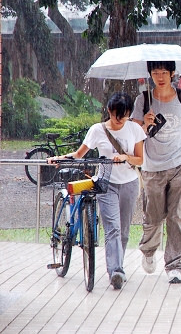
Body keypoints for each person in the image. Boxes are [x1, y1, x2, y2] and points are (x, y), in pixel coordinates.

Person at [48, 92, 145, 290]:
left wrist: (126, 157)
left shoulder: (134, 129)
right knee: (113, 228)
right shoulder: (97, 130)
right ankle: (115, 270)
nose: (121, 121)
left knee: (124, 230)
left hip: (129, 183)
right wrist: (60, 158)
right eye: (117, 116)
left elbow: (140, 159)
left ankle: (119, 265)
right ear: (109, 111)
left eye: (125, 116)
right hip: (105, 183)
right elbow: (79, 154)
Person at [131, 61, 181, 284]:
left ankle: (174, 264)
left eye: (164, 72)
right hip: (152, 168)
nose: (160, 77)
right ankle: (148, 251)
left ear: (172, 73)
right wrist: (144, 125)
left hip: (180, 165)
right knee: (153, 217)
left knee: (178, 216)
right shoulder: (143, 100)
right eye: (155, 72)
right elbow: (133, 137)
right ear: (149, 74)